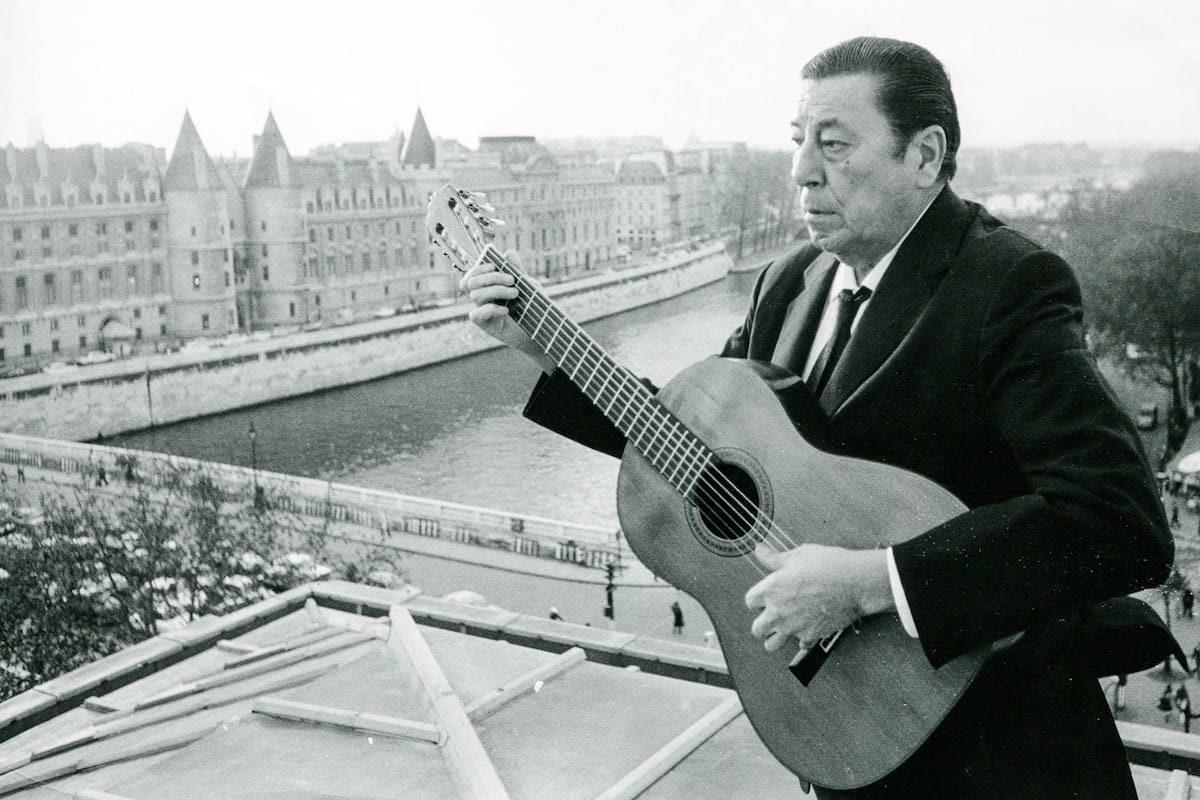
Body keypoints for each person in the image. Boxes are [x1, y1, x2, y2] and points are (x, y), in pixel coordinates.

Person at [461, 36, 1171, 799]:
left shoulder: (1008, 284)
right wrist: (554, 355)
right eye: (799, 142)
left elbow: (1119, 524)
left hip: (1002, 759)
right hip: (845, 740)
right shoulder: (788, 281)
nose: (801, 171)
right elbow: (694, 444)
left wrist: (871, 583)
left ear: (925, 156)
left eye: (833, 145)